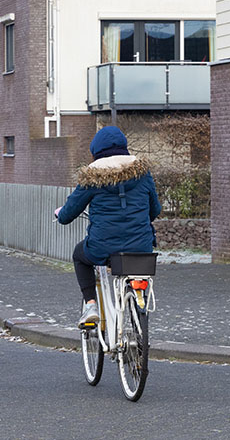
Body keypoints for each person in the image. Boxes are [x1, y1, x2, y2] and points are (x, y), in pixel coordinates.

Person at [55, 126, 161, 328]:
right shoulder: (143, 174)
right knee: (135, 270)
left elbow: (68, 214)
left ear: (95, 152)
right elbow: (155, 210)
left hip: (102, 247)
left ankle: (91, 306)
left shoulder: (92, 177)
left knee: (80, 255)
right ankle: (138, 317)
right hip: (141, 248)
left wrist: (60, 214)